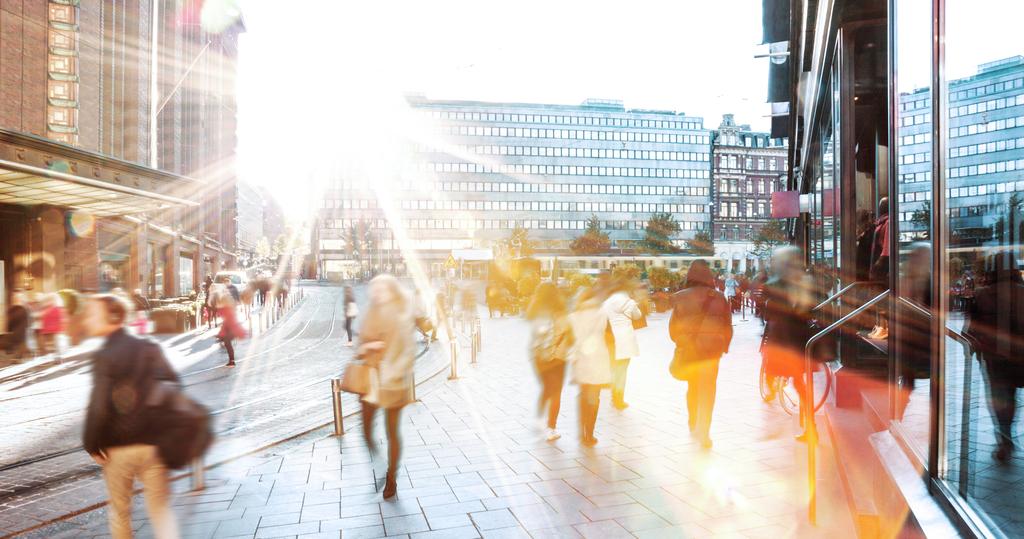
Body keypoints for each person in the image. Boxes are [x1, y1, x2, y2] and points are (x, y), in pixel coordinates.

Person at [82, 294, 180, 539]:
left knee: (120, 511)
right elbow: (173, 387)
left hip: (120, 448)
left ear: (113, 316)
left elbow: (99, 405)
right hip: (155, 445)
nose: (87, 319)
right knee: (160, 510)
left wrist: (91, 444)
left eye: (93, 314)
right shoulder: (149, 347)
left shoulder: (105, 355)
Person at [357, 275, 416, 499]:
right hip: (370, 380)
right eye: (374, 287)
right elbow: (360, 345)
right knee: (366, 432)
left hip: (394, 382)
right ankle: (382, 466)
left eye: (382, 288)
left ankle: (391, 478)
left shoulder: (401, 313)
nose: (377, 292)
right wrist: (369, 345)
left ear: (392, 290)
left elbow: (408, 351)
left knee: (392, 431)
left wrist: (394, 373)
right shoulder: (371, 311)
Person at [964, 252, 1024, 463]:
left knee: (1002, 399)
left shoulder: (982, 294)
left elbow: (969, 330)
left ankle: (1005, 441)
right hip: (1021, 356)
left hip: (995, 358)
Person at [669, 260, 733, 449]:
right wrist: (723, 347)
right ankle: (704, 433)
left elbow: (673, 330)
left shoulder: (680, 298)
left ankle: (692, 423)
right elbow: (727, 326)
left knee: (692, 387)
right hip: (711, 354)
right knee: (708, 391)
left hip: (690, 351)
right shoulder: (720, 298)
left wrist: (683, 342)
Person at [761, 245, 816, 440]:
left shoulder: (776, 284)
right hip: (801, 340)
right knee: (801, 384)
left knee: (779, 373)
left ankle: (810, 429)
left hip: (784, 340)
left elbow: (769, 314)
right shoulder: (806, 281)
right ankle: (810, 427)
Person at [527, 282, 574, 441]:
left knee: (546, 388)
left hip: (538, 357)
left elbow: (535, 335)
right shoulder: (561, 312)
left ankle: (539, 420)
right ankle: (551, 428)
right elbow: (570, 335)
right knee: (555, 392)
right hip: (557, 357)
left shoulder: (535, 312)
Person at [568, 286, 610, 447]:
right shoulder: (601, 314)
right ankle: (589, 434)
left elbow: (570, 339)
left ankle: (581, 431)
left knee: (582, 396)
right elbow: (607, 335)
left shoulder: (572, 316)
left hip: (580, 359)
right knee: (594, 398)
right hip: (598, 359)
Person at [602, 278, 642, 410]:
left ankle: (614, 396)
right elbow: (638, 316)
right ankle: (619, 399)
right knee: (622, 370)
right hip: (625, 339)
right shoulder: (629, 302)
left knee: (614, 368)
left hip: (612, 339)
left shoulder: (606, 302)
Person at [214, 284, 245, 367]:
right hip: (229, 325)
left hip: (230, 325)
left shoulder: (225, 301)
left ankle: (232, 361)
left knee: (227, 342)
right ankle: (231, 360)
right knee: (227, 343)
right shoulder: (228, 300)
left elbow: (226, 315)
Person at [2, 292, 31, 359]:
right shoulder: (23, 309)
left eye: (17, 297)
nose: (16, 298)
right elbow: (9, 323)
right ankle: (17, 355)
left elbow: (10, 322)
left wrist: (7, 331)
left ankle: (16, 355)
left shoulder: (17, 309)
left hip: (18, 333)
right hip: (19, 333)